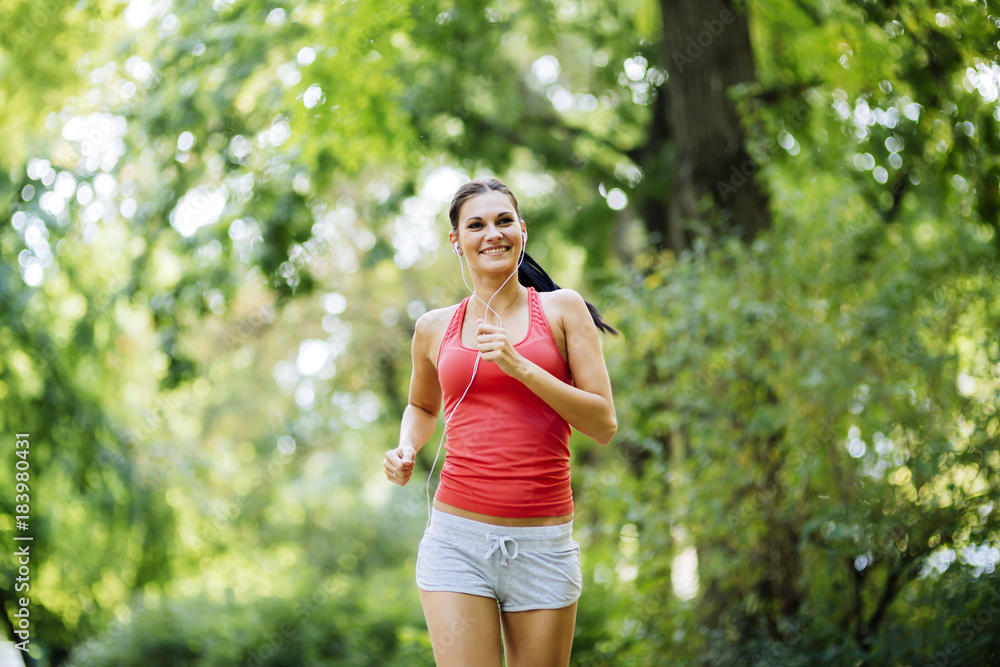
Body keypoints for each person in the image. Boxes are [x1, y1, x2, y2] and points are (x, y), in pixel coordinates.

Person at [382, 177, 617, 666]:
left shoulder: (562, 309)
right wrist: (407, 447)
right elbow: (423, 408)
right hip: (457, 543)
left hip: (543, 545)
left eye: (504, 221)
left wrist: (520, 366)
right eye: (477, 224)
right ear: (457, 241)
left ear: (522, 231)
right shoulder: (432, 328)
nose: (493, 233)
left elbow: (603, 423)